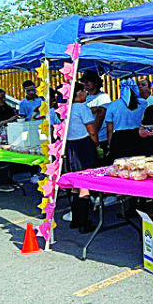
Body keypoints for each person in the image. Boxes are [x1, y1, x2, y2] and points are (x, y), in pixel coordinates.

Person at [65, 82, 100, 233]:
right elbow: (91, 130)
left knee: (74, 185)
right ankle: (84, 222)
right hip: (83, 147)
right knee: (85, 184)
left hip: (69, 146)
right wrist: (96, 145)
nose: (86, 94)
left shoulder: (63, 108)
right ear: (78, 92)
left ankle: (76, 219)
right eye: (84, 91)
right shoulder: (81, 107)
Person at [104, 78, 147, 161]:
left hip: (120, 138)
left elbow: (109, 129)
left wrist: (109, 145)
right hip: (137, 136)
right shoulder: (143, 103)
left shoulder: (113, 105)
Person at [81, 70, 112, 159]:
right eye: (84, 80)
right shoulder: (86, 97)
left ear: (96, 82)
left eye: (89, 80)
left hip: (100, 139)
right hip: (90, 137)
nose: (85, 83)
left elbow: (100, 116)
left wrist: (92, 133)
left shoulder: (103, 97)